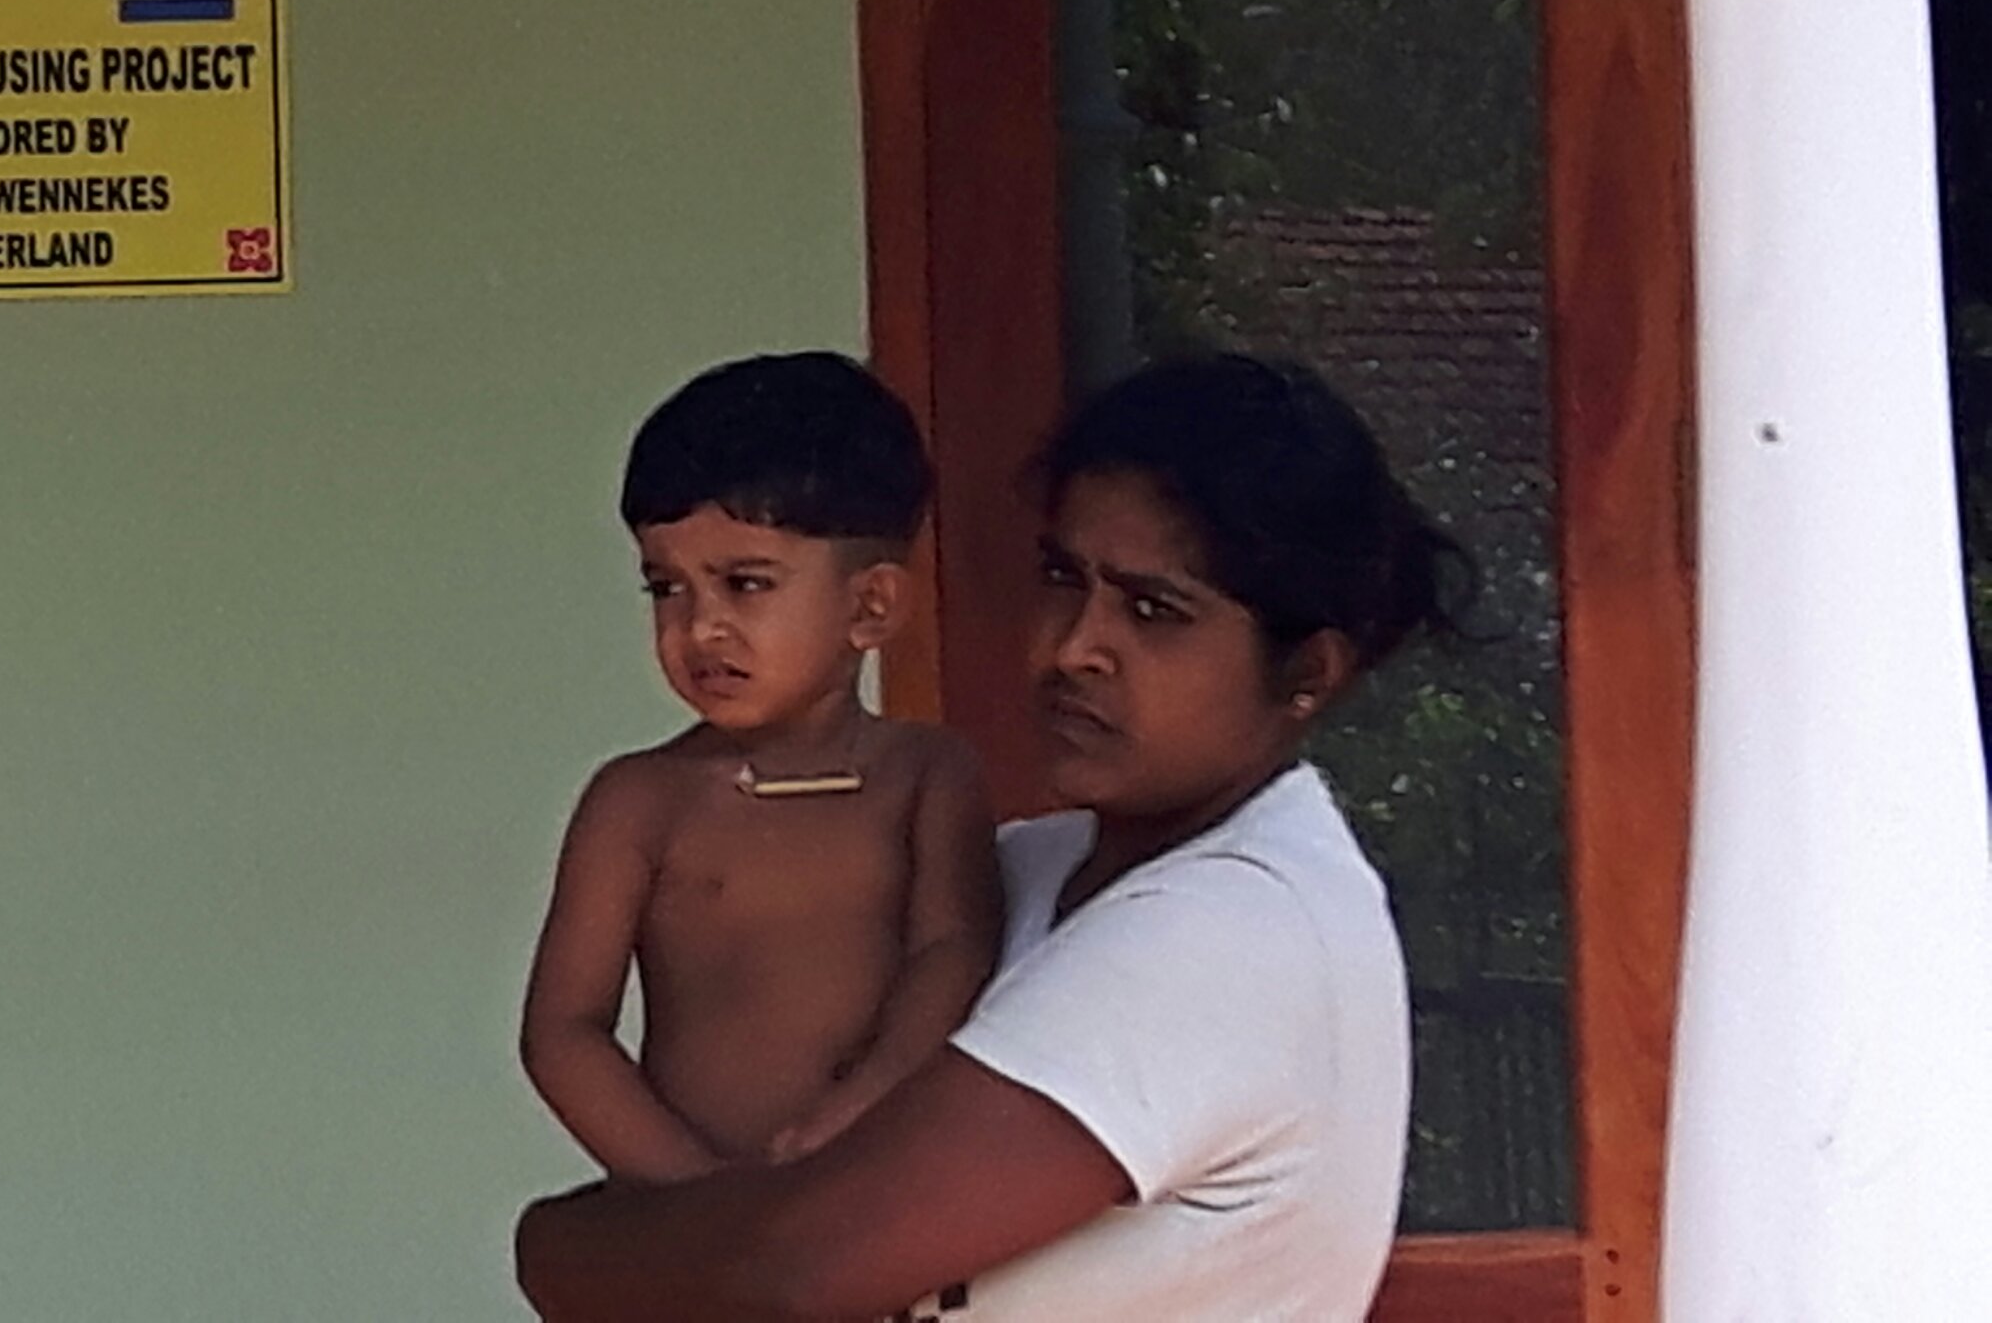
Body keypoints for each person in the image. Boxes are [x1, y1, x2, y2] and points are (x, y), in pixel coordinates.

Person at [516, 353, 1460, 1321]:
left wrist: (553, 1243)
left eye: (1153, 610)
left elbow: (796, 1267)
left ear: (1306, 672)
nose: (1073, 646)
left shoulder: (1239, 927)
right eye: (1060, 577)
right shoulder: (1018, 872)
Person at [519, 352, 999, 1184]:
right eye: (666, 588)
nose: (700, 627)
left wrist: (865, 1104)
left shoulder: (927, 775)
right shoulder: (639, 801)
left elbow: (954, 953)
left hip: (880, 1195)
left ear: (871, 605)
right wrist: (700, 1198)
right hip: (691, 1216)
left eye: (744, 583)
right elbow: (563, 1032)